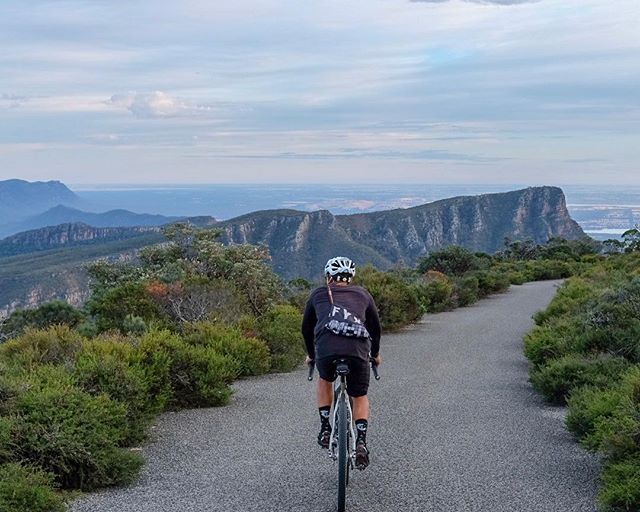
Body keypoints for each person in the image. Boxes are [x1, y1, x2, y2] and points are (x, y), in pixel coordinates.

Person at [301, 256, 382, 470]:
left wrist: (311, 354)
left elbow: (306, 329)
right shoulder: (363, 294)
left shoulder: (318, 294)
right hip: (358, 351)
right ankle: (361, 441)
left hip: (327, 350)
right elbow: (375, 328)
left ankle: (326, 427)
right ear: (350, 278)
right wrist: (375, 354)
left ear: (329, 276)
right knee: (360, 396)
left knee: (325, 379)